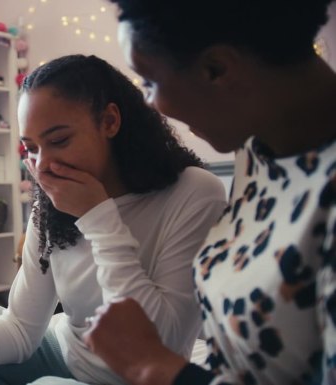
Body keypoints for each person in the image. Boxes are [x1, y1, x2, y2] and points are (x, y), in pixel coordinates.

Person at [0, 54, 227, 385]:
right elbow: (19, 332)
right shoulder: (50, 204)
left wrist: (98, 217)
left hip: (136, 378)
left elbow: (158, 341)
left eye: (59, 140)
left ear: (110, 121)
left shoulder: (194, 192)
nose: (43, 165)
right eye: (31, 148)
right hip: (58, 350)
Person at [79, 1, 336, 384]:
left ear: (217, 69)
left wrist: (152, 365)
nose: (152, 105)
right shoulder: (258, 152)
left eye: (149, 82)